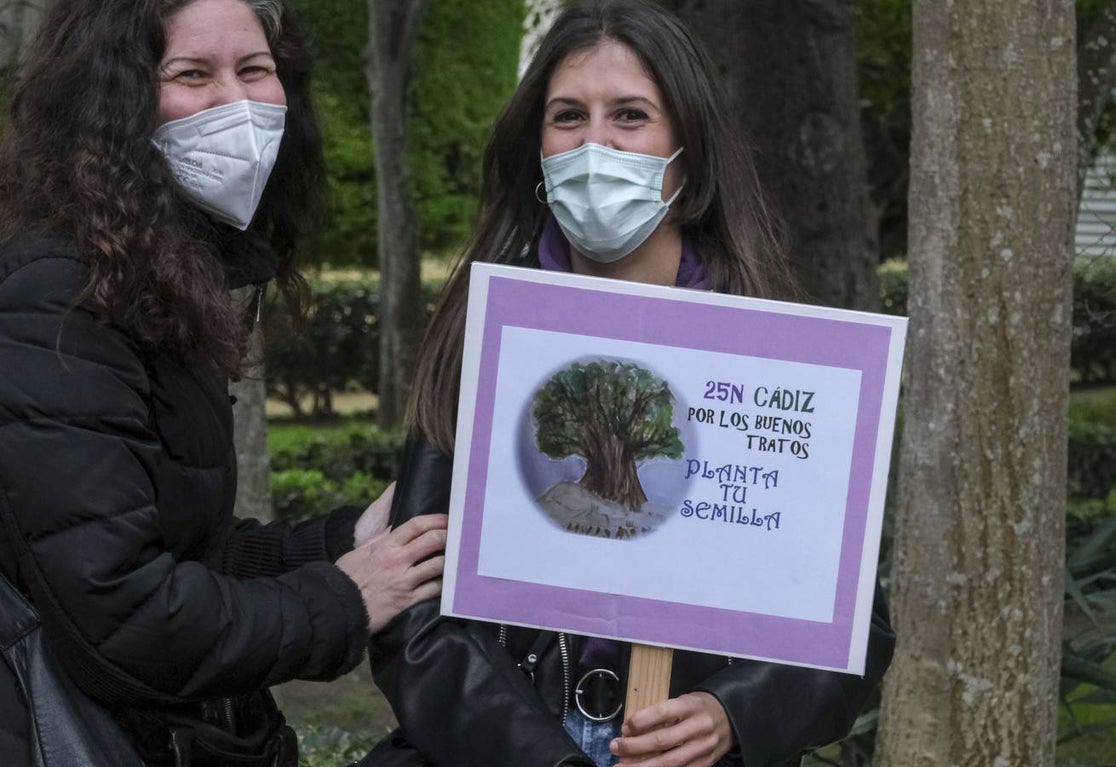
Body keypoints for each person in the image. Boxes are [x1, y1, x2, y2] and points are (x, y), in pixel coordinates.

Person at [369, 1, 895, 766]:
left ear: (688, 148)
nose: (595, 144)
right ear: (537, 148)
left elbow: (852, 628)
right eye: (567, 116)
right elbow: (413, 613)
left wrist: (732, 712)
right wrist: (536, 755)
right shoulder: (486, 336)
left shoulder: (781, 359)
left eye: (630, 116)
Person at [0, 0, 446, 764]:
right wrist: (345, 597)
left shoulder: (147, 274)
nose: (236, 105)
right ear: (113, 98)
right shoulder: (60, 295)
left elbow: (181, 547)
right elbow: (120, 615)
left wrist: (347, 540)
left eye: (255, 70)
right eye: (191, 74)